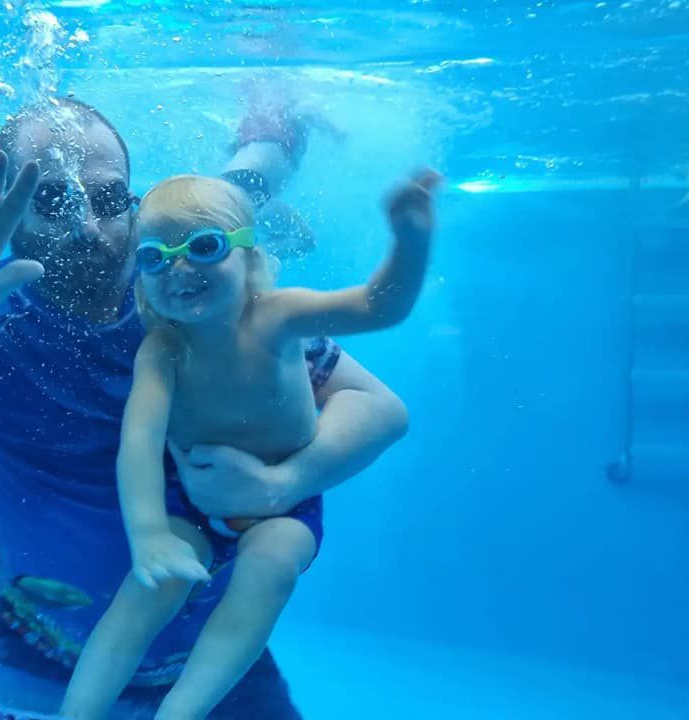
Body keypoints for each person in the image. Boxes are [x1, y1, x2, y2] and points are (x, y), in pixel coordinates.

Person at [0, 99, 409, 718]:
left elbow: (371, 403)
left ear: (135, 204)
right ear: (11, 210)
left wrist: (283, 483)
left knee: (241, 185)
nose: (86, 223)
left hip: (220, 669)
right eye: (52, 198)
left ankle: (270, 121)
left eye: (109, 198)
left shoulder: (198, 303)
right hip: (41, 667)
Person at [59, 171, 437, 719]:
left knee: (271, 568)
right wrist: (147, 537)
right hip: (192, 502)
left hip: (286, 505)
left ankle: (181, 712)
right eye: (155, 256)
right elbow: (138, 443)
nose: (180, 268)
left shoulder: (279, 316)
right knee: (149, 588)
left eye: (204, 247)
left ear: (250, 255)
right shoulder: (162, 349)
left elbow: (378, 308)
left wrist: (410, 243)